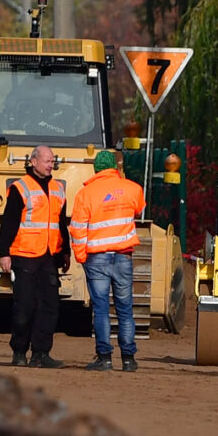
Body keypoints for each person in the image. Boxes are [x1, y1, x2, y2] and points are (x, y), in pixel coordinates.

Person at [69, 146, 145, 370]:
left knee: (101, 308)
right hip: (123, 257)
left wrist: (81, 256)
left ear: (96, 169)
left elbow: (78, 229)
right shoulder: (132, 188)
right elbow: (139, 210)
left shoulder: (85, 194)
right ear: (114, 167)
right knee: (125, 308)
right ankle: (129, 359)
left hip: (97, 259)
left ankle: (104, 358)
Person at [0, 144, 68, 367]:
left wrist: (66, 251)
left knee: (49, 306)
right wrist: (4, 252)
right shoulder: (20, 187)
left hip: (49, 255)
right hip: (24, 254)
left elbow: (61, 223)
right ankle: (19, 352)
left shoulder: (58, 188)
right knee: (24, 306)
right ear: (33, 162)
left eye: (52, 160)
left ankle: (41, 354)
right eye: (46, 160)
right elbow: (9, 222)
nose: (50, 164)